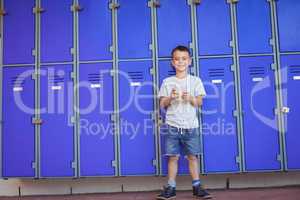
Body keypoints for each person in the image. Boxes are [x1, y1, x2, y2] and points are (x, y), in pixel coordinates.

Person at [157, 45, 211, 199]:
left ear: (190, 61)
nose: (180, 62)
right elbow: (162, 104)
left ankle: (196, 187)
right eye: (177, 59)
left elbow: (199, 102)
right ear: (172, 62)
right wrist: (171, 98)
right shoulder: (167, 82)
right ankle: (171, 187)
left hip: (191, 126)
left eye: (184, 59)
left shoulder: (195, 81)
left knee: (192, 156)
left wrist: (191, 98)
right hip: (173, 126)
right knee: (173, 157)